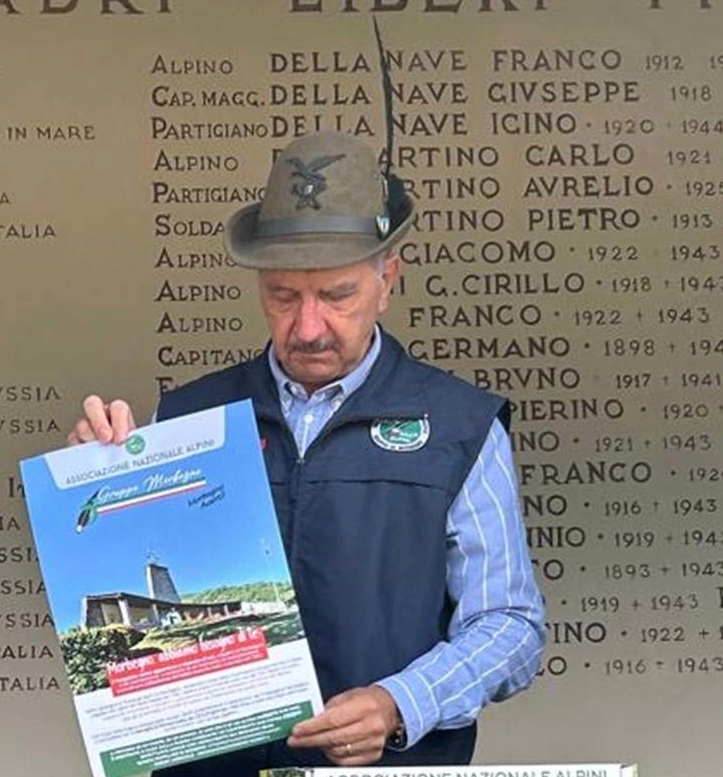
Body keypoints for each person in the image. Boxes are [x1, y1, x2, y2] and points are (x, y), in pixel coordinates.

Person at [69, 131, 546, 775]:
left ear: (388, 280)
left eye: (337, 295)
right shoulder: (186, 419)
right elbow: (121, 578)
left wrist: (398, 703)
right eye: (284, 296)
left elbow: (510, 626)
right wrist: (99, 480)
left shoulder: (459, 425)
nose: (308, 326)